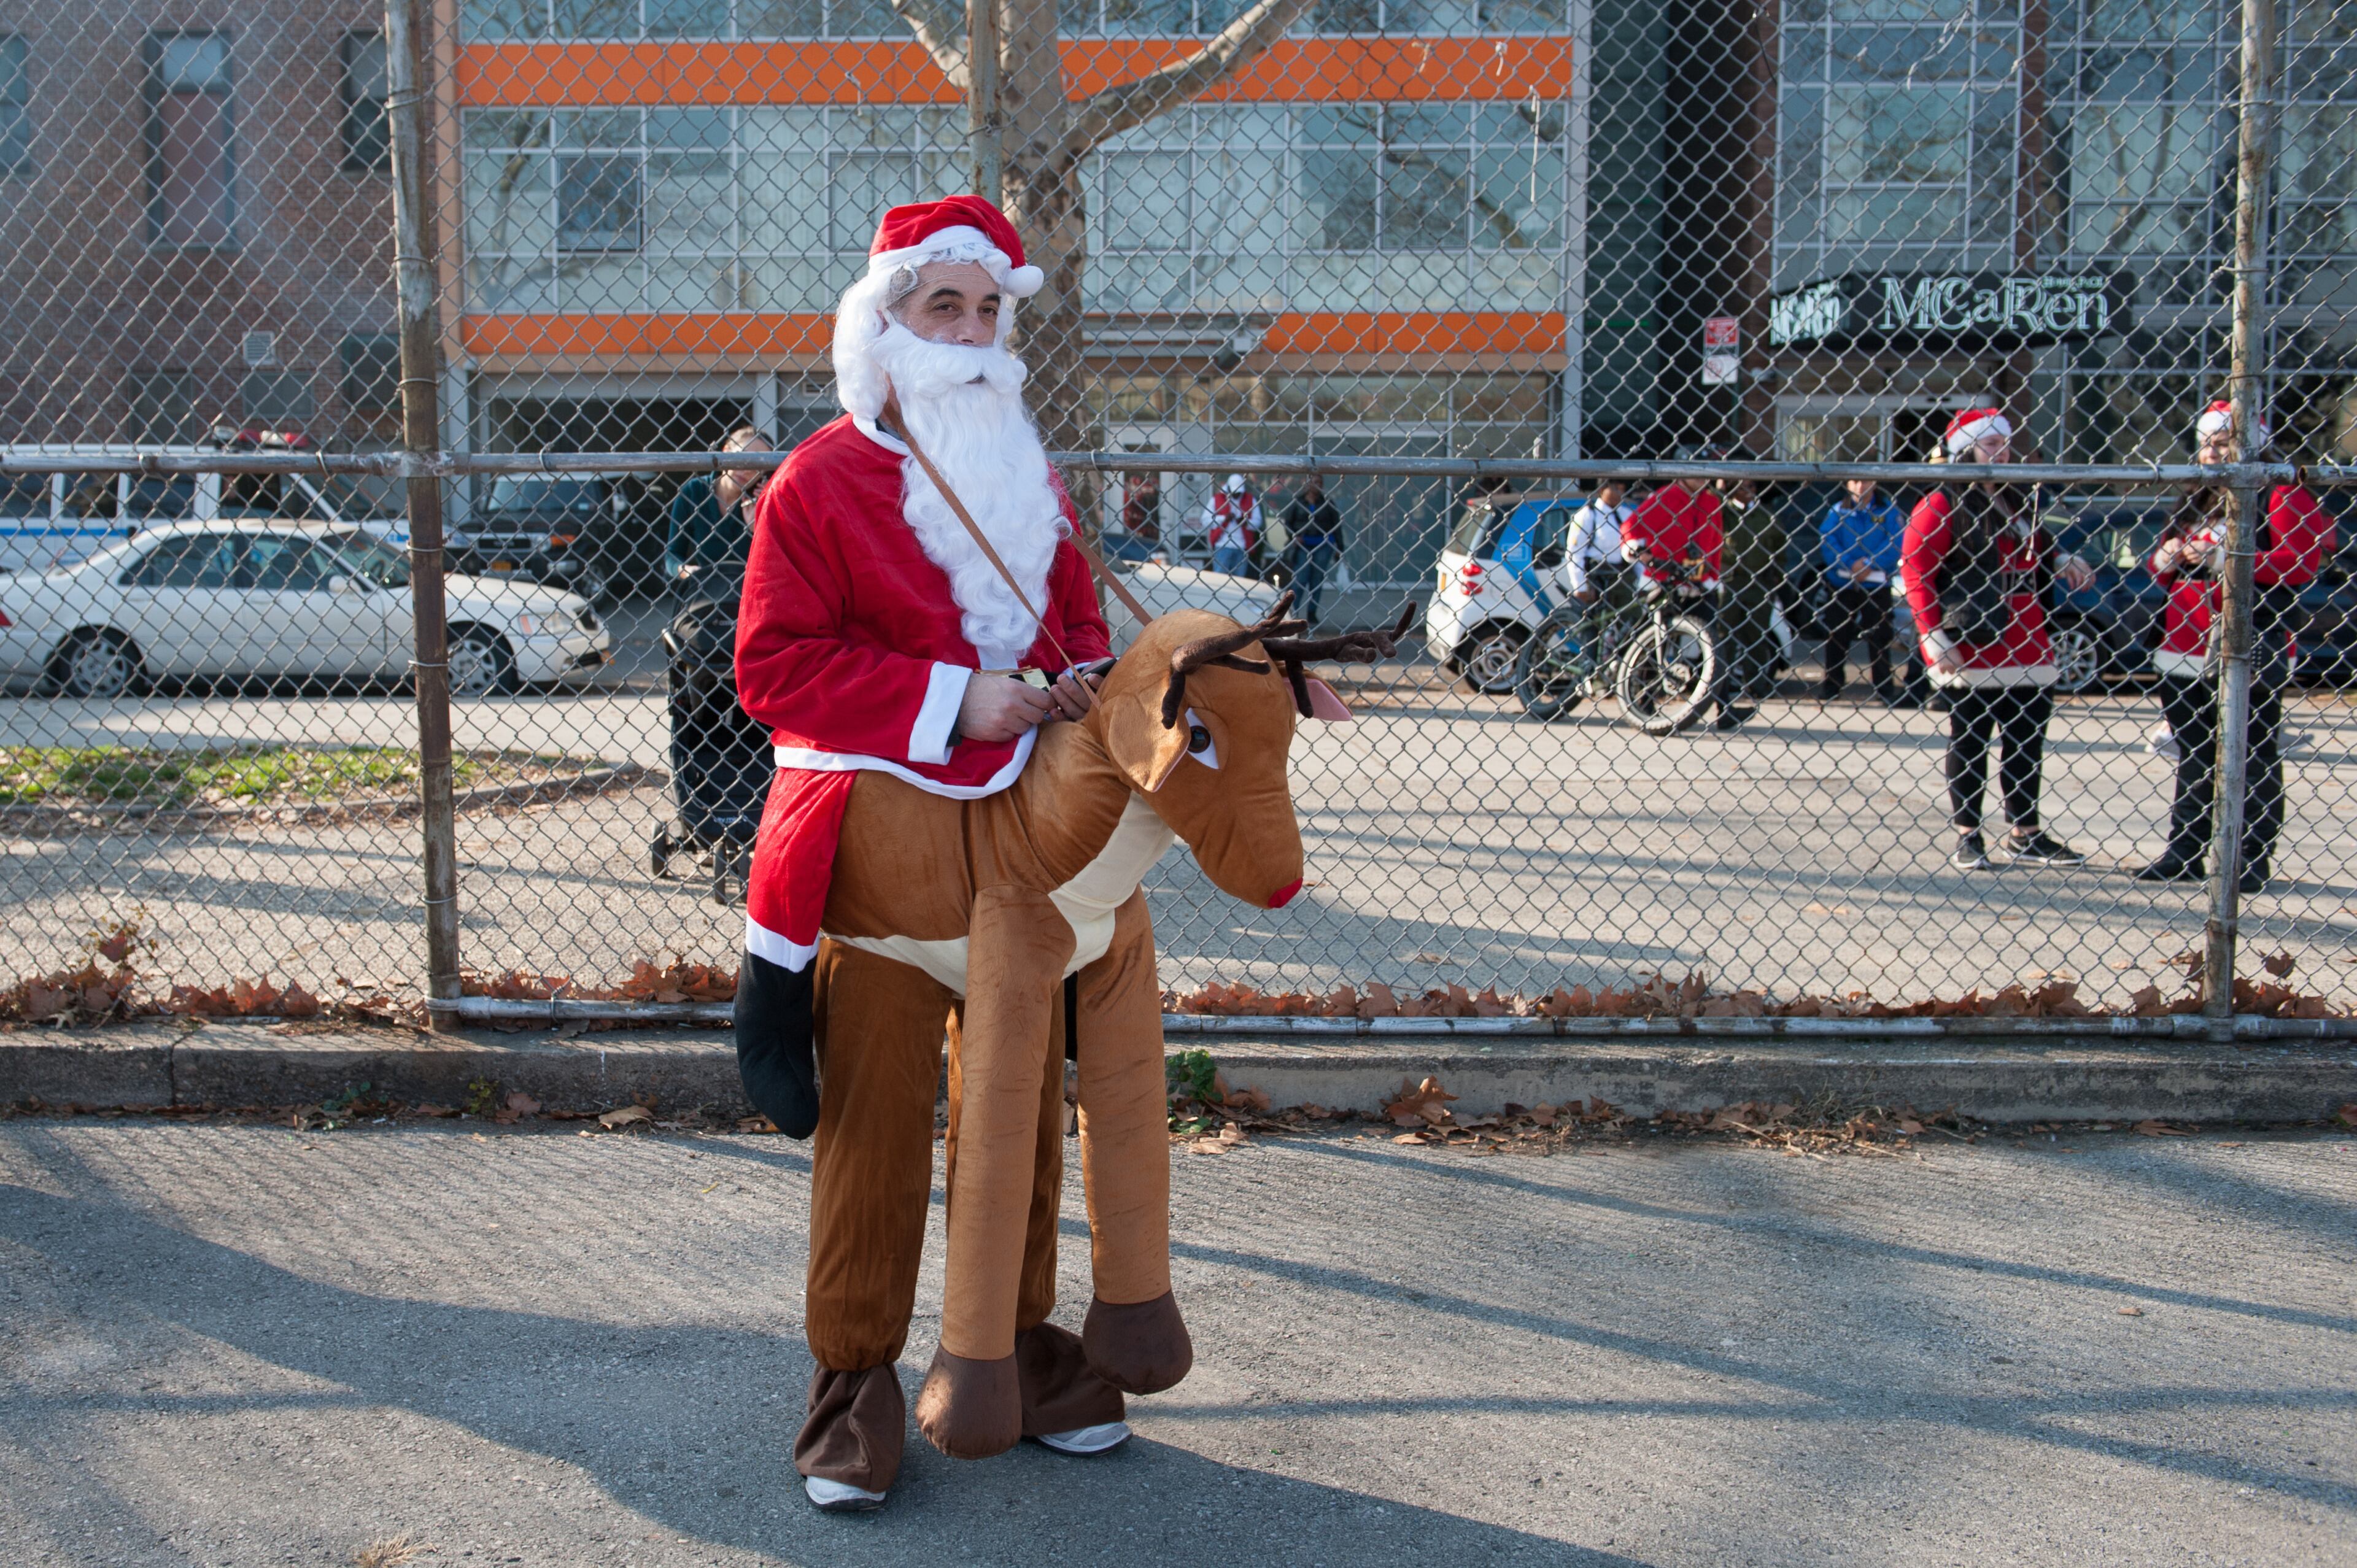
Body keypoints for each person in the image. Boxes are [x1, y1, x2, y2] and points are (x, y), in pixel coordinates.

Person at [730, 195, 1120, 1510]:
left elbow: (1074, 625)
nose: (967, 330)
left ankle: (1010, 1343)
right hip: (883, 851)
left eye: (987, 308)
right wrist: (961, 694)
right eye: (939, 306)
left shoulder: (1026, 466)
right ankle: (852, 1376)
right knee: (876, 1111)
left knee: (1026, 1101)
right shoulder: (817, 479)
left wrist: (1077, 685)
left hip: (1020, 844)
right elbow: (772, 666)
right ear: (883, 324)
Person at [2137, 400, 2333, 890]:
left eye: (2223, 442)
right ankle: (2185, 851)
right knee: (2196, 752)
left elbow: (2299, 564)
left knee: (2254, 751)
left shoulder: (2279, 493)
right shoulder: (2197, 496)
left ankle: (2250, 859)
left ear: (2252, 444)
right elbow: (2161, 570)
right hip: (2182, 643)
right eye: (2206, 443)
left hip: (2247, 639)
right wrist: (2166, 557)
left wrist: (2226, 555)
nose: (2211, 452)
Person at [1900, 407, 2097, 870]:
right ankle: (1969, 834)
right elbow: (1916, 571)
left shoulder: (2016, 500)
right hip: (1975, 637)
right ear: (1964, 450)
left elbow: (2035, 546)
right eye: (1990, 444)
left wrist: (2060, 556)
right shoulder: (1941, 503)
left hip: (2028, 639)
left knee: (2026, 741)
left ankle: (2025, 831)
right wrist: (1933, 633)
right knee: (1969, 740)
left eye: (2003, 444)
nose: (2001, 451)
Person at [1817, 477, 1906, 701]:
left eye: (1865, 481)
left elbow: (1895, 542)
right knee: (1837, 635)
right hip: (1842, 584)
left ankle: (1884, 688)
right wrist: (1848, 563)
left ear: (1875, 482)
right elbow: (1828, 541)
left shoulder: (1888, 511)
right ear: (1847, 484)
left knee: (1880, 636)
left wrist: (1869, 563)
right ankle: (1832, 687)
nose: (1860, 486)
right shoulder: (1838, 511)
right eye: (1855, 481)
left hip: (1875, 584)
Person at [1713, 476, 1786, 729]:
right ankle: (1721, 685)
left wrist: (1774, 581)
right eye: (1741, 487)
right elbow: (1713, 501)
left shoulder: (1766, 516)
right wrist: (1722, 489)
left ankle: (1757, 685)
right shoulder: (1725, 512)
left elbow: (1781, 548)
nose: (1748, 492)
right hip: (1731, 580)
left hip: (1759, 583)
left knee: (1756, 634)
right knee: (1724, 636)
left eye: (1752, 487)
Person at [666, 425, 772, 581]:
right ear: (726, 451)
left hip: (747, 592)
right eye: (744, 458)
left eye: (758, 466)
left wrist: (757, 532)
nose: (748, 470)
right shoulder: (695, 491)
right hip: (707, 590)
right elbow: (672, 554)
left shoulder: (760, 503)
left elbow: (774, 566)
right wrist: (687, 571)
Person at [1563, 478, 1635, 686]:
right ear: (1603, 490)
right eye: (1615, 488)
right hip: (1595, 576)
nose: (1619, 493)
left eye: (1622, 489)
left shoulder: (1625, 515)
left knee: (1627, 622)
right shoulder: (1588, 515)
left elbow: (1634, 550)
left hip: (1620, 576)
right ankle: (1587, 673)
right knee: (1591, 627)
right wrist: (1581, 586)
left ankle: (1617, 673)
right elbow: (1575, 553)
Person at [1280, 481, 1343, 624]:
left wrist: (1340, 547)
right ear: (1307, 484)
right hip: (1303, 544)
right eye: (1313, 482)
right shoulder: (1298, 501)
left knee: (1317, 580)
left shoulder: (1327, 503)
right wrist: (1294, 536)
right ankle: (1293, 611)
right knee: (1300, 579)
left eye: (1319, 483)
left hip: (1323, 544)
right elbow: (1288, 522)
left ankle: (1312, 612)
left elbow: (1336, 525)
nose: (1316, 485)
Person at [1202, 474, 1260, 575]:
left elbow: (1258, 523)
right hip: (1222, 546)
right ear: (1228, 488)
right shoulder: (1217, 499)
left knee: (1240, 580)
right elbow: (1205, 520)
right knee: (1220, 578)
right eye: (1234, 492)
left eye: (1239, 492)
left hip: (1242, 547)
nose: (1237, 495)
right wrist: (1224, 518)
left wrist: (1246, 522)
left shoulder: (1250, 499)